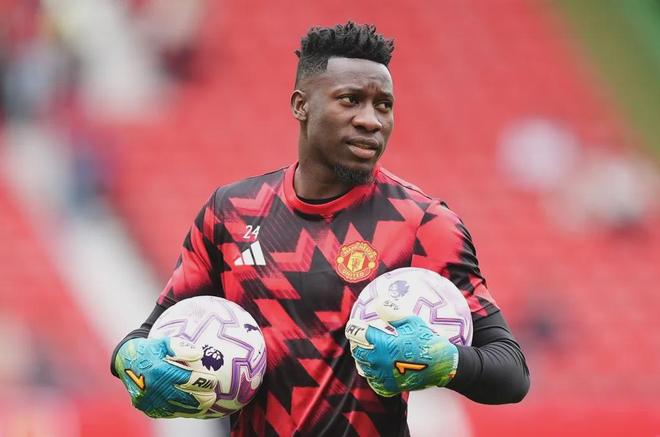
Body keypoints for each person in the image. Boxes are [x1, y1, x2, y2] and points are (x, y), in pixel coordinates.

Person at [111, 22, 530, 436]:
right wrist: (134, 363)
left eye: (383, 105)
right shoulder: (231, 212)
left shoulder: (422, 223)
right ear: (301, 105)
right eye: (351, 100)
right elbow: (147, 336)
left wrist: (446, 362)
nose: (371, 120)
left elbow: (511, 371)